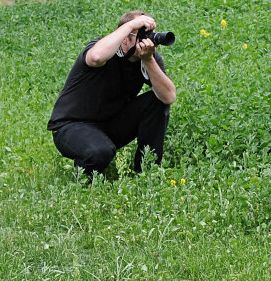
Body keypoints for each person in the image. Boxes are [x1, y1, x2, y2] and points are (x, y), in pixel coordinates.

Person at [48, 11, 177, 176]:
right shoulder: (102, 47)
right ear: (124, 36)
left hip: (109, 123)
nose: (145, 40)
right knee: (100, 152)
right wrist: (131, 25)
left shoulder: (148, 57)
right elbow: (95, 57)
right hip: (71, 125)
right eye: (140, 34)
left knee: (157, 100)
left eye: (148, 34)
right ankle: (84, 179)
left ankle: (147, 172)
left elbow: (169, 97)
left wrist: (148, 60)